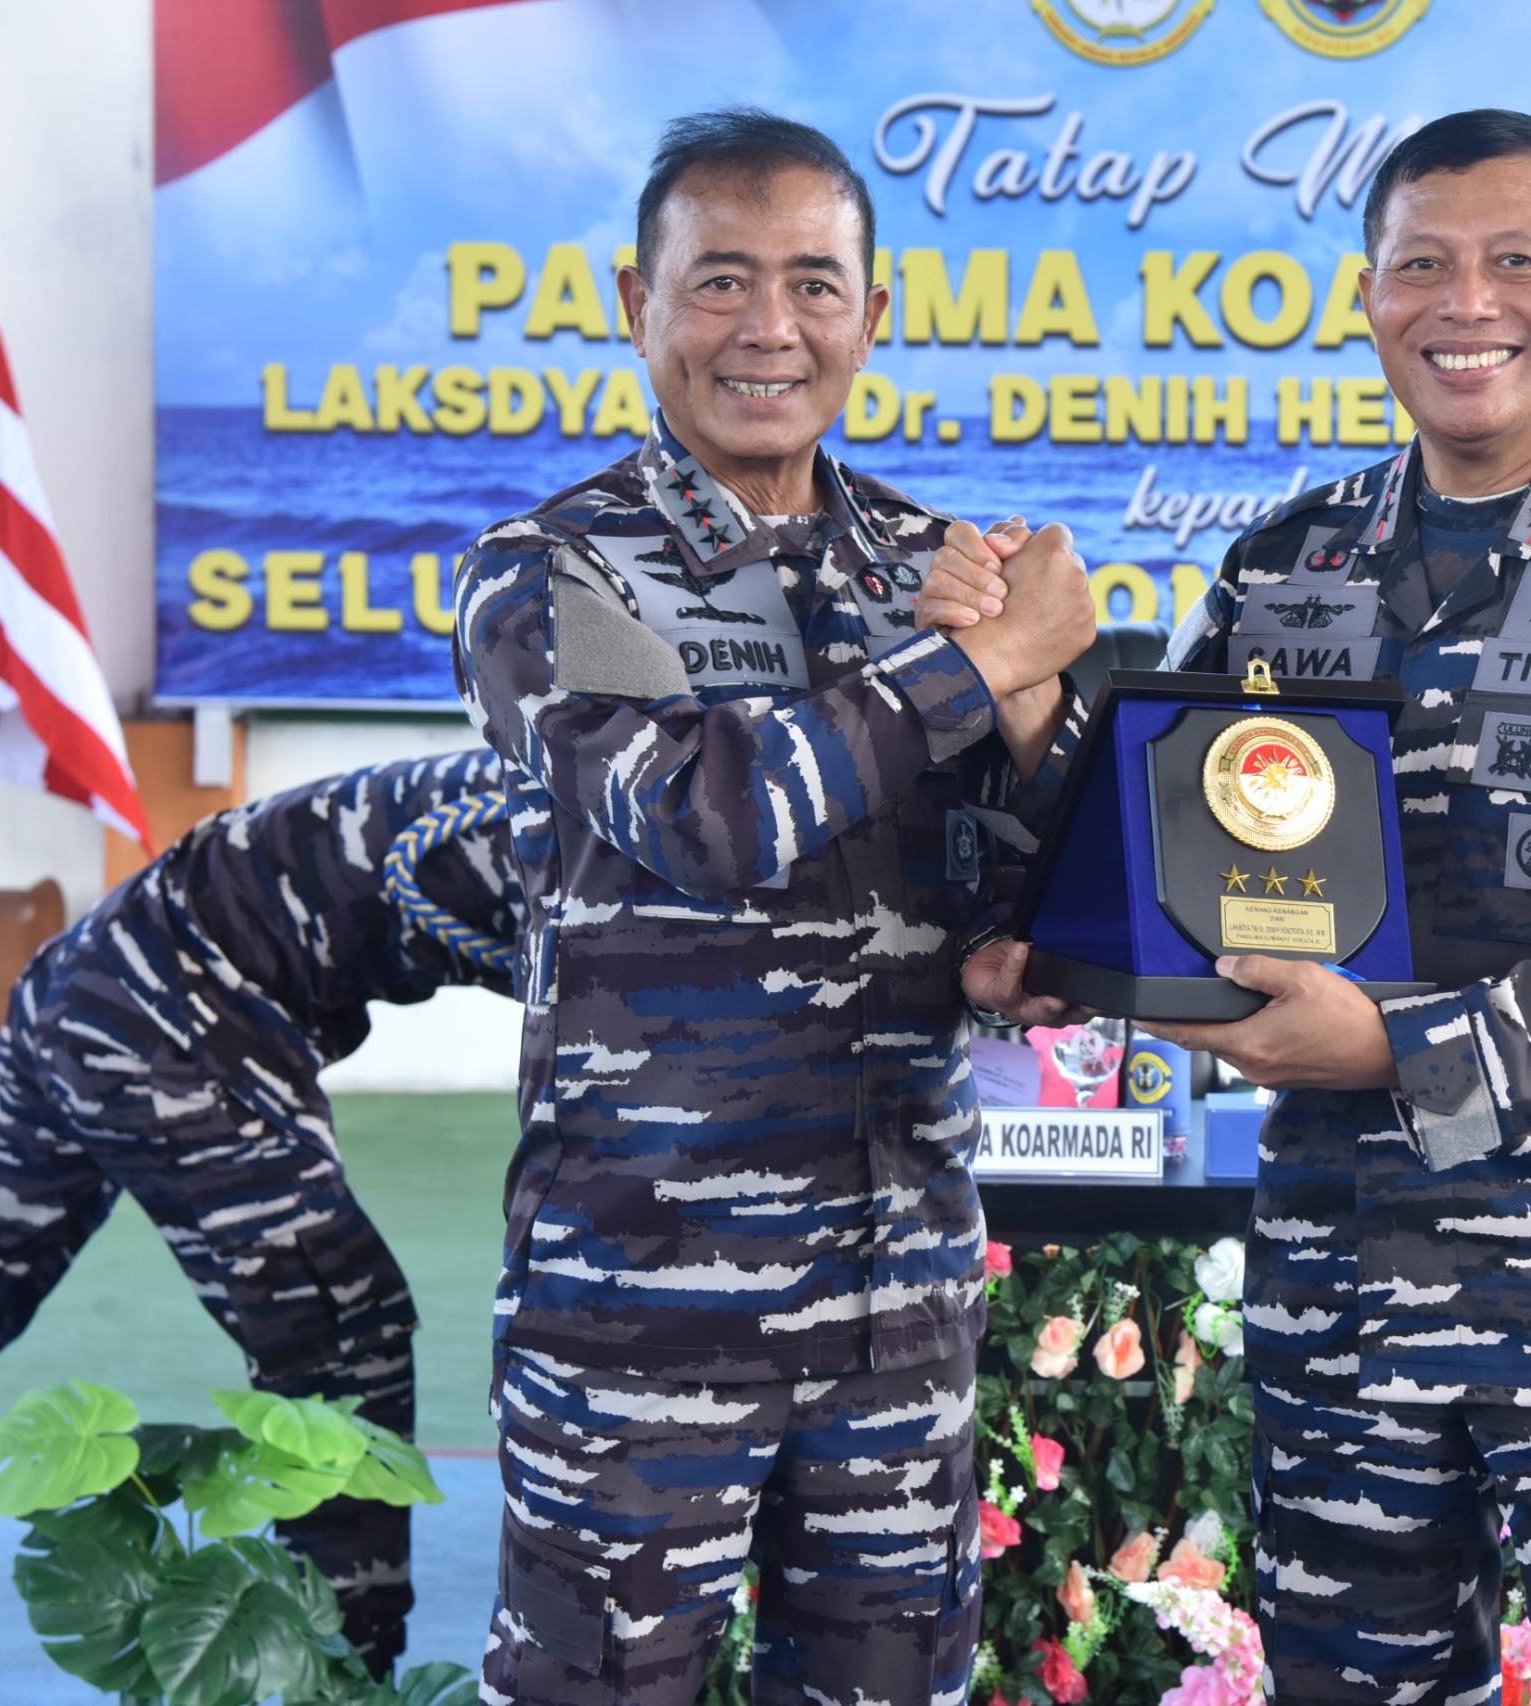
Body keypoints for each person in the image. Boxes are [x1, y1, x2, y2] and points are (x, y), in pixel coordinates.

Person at [929, 109, 1531, 1704]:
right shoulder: (1288, 564)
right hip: (1343, 1292)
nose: (1465, 303)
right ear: (1368, 298)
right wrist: (1035, 762)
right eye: (1421, 265)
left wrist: (1392, 1048)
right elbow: (1164, 842)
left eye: (1517, 262)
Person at [451, 106, 1093, 1706]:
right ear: (638, 304)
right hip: (642, 1306)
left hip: (897, 1306)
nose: (769, 328)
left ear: (872, 315)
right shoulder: (551, 572)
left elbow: (1043, 882)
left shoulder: (941, 568)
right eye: (720, 280)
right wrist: (981, 663)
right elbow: (708, 815)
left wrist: (1036, 735)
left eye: (813, 284)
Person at [0, 748, 520, 1672]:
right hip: (159, 1009)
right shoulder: (598, 832)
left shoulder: (628, 787)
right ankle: (340, 1672)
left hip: (90, 982)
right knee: (337, 1332)